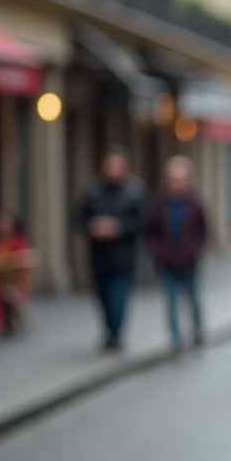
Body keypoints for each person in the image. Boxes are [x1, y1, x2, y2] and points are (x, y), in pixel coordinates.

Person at [76, 146, 148, 351]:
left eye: (116, 165)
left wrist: (119, 227)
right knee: (102, 298)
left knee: (117, 298)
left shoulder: (135, 192)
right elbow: (79, 217)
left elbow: (143, 220)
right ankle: (109, 331)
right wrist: (93, 226)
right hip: (99, 256)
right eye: (109, 165)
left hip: (123, 257)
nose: (112, 169)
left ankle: (116, 334)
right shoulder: (93, 191)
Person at [146, 156, 209, 354]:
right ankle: (176, 341)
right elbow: (151, 232)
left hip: (189, 261)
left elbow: (204, 232)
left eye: (181, 179)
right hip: (168, 262)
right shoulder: (159, 204)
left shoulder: (195, 203)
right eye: (174, 179)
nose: (177, 183)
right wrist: (160, 252)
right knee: (172, 302)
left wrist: (194, 250)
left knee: (193, 300)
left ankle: (197, 330)